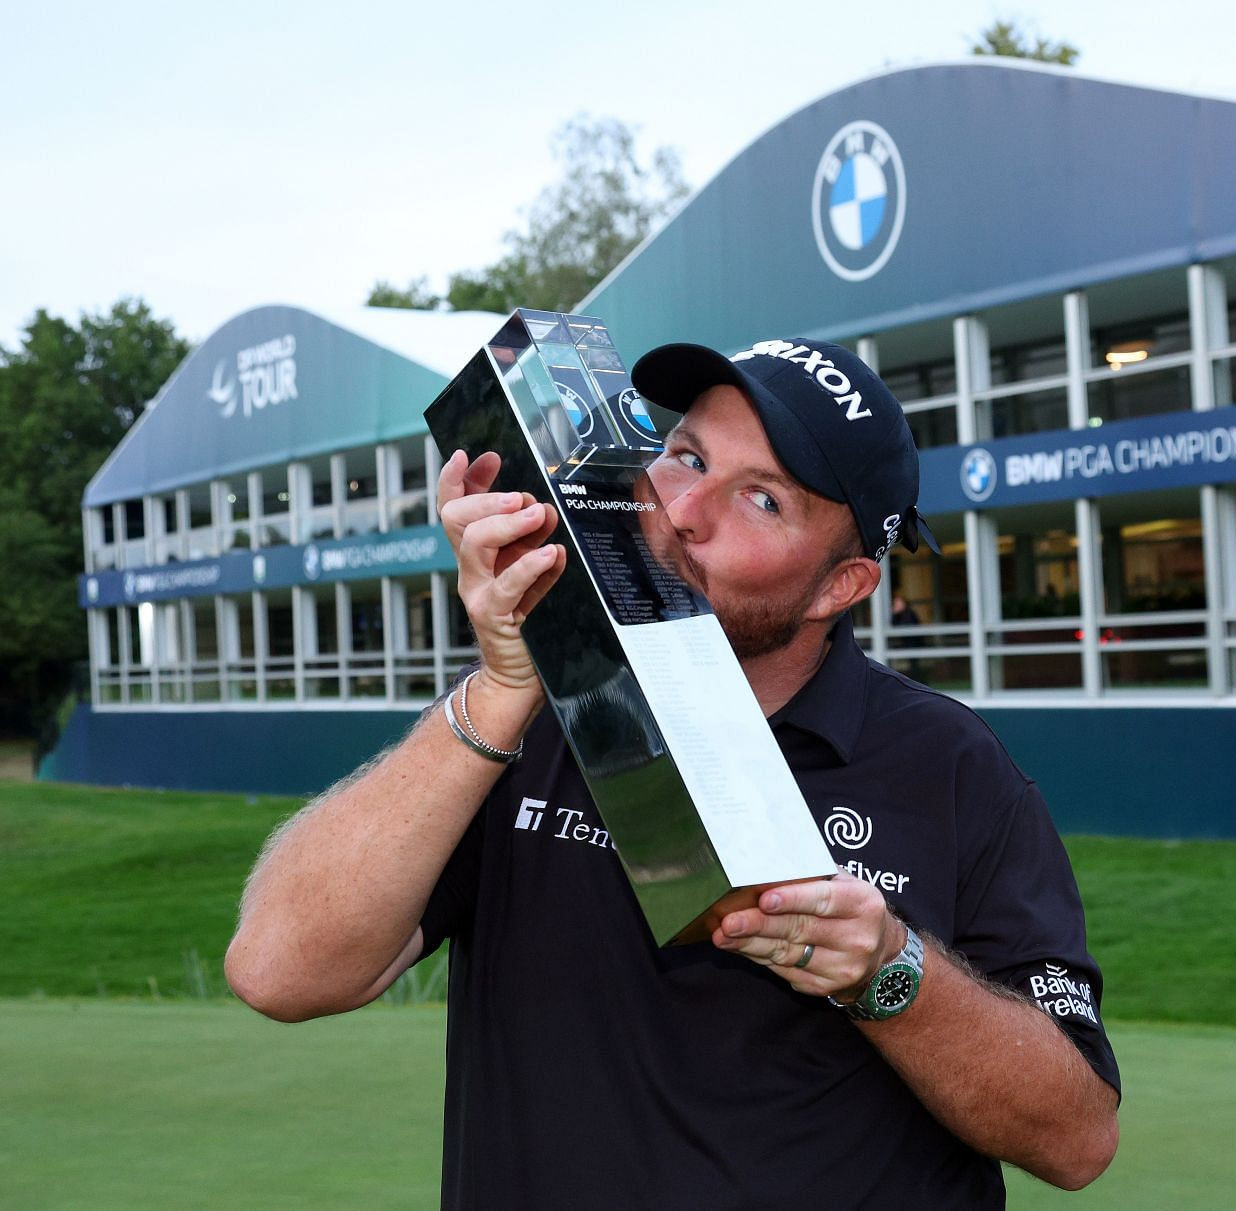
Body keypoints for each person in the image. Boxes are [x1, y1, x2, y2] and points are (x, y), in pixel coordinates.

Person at [224, 338, 1120, 1207]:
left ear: (840, 586)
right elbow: (281, 971)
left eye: (762, 500)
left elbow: (1077, 1139)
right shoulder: (528, 718)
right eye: (685, 454)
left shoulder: (952, 768)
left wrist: (888, 972)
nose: (686, 510)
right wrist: (502, 688)